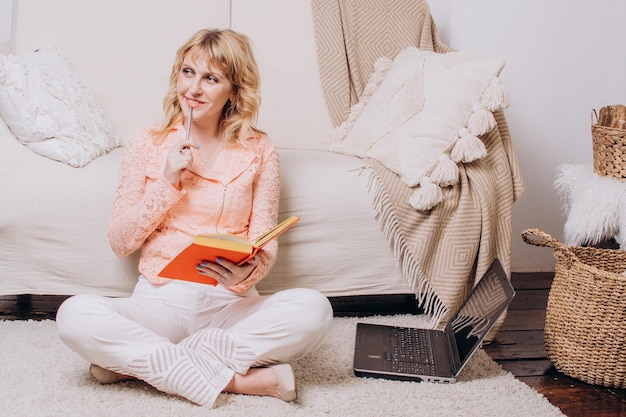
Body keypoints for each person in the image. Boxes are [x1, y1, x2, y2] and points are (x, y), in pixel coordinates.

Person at [56, 28, 333, 407]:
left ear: (234, 92)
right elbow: (120, 241)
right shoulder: (148, 142)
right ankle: (237, 380)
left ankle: (137, 365)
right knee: (74, 316)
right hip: (160, 302)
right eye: (188, 72)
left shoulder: (260, 149)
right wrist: (167, 181)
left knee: (314, 310)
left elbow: (264, 238)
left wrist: (249, 273)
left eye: (211, 78)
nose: (194, 89)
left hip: (229, 306)